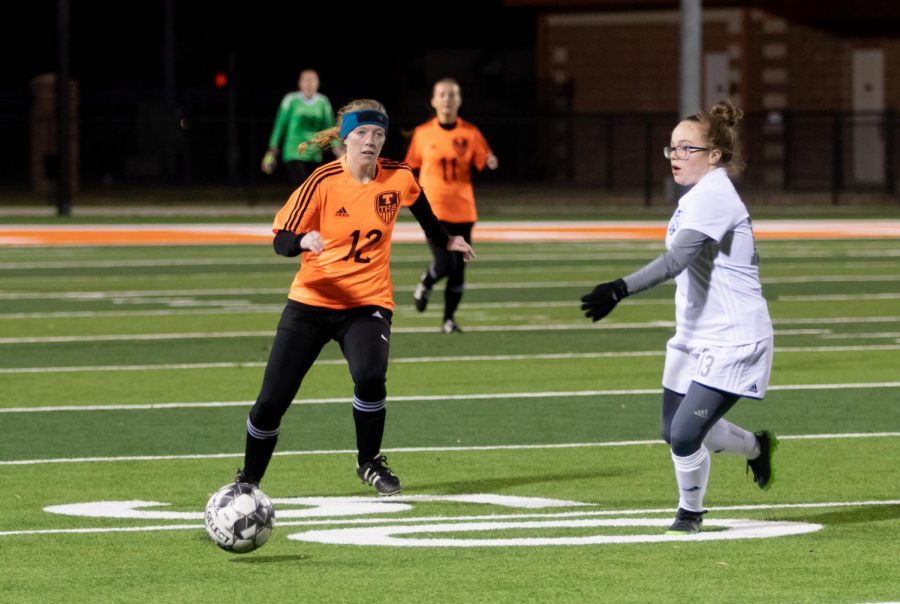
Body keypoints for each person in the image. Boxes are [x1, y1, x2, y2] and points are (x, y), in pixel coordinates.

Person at [236, 99, 475, 495]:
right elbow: (280, 240)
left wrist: (444, 238)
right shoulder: (322, 182)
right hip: (312, 303)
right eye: (362, 133)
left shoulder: (398, 176)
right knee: (272, 400)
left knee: (369, 376)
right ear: (344, 139)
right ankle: (248, 479)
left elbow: (421, 207)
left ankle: (369, 462)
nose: (371, 141)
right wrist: (301, 241)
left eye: (379, 133)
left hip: (367, 303)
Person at [579, 99, 777, 534]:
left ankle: (690, 514)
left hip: (734, 337)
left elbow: (676, 261)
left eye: (686, 148)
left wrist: (619, 288)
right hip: (694, 335)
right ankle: (755, 447)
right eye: (671, 148)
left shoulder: (716, 194)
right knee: (673, 431)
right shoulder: (698, 194)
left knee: (687, 433)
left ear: (714, 156)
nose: (675, 157)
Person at [405, 78, 498, 334]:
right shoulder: (423, 133)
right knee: (446, 264)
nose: (447, 99)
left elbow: (483, 160)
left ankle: (448, 320)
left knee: (459, 270)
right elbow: (409, 168)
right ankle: (428, 279)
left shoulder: (470, 132)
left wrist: (490, 161)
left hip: (464, 209)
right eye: (442, 94)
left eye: (452, 95)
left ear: (459, 100)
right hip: (435, 210)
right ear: (434, 101)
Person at [261, 69, 339, 187]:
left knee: (315, 188)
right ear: (300, 83)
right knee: (303, 187)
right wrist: (272, 149)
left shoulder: (323, 101)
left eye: (312, 80)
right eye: (305, 80)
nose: (309, 83)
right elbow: (280, 125)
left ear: (318, 83)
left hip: (314, 151)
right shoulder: (290, 100)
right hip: (294, 150)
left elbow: (329, 126)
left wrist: (337, 148)